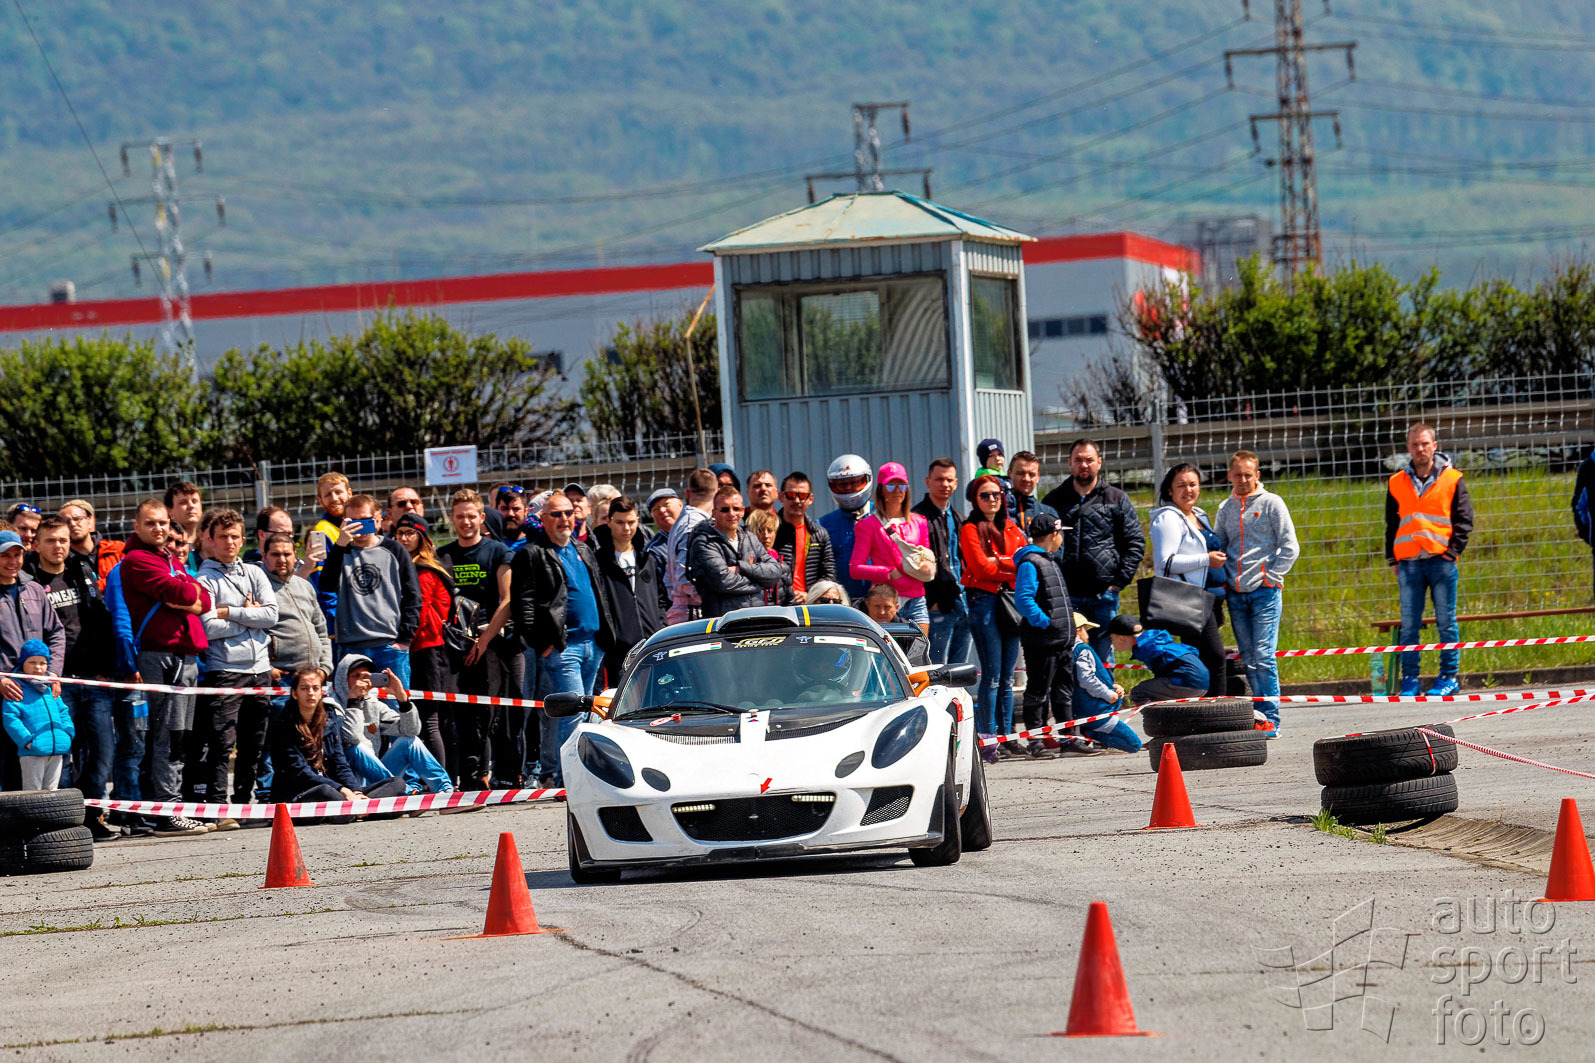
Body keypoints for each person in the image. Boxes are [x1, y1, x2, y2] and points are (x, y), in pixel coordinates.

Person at [511, 490, 615, 788]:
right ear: (543, 518)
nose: (564, 519)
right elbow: (523, 606)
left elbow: (599, 593)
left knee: (574, 712)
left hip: (592, 644)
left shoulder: (583, 549)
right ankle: (565, 776)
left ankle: (554, 771)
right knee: (573, 711)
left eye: (569, 513)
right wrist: (542, 645)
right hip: (562, 648)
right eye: (556, 514)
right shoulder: (531, 554)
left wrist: (604, 637)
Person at [120, 500, 211, 836]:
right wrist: (189, 594)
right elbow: (178, 591)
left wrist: (190, 595)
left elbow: (204, 599)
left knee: (180, 736)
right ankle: (166, 811)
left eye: (162, 522)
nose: (158, 529)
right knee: (167, 735)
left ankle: (171, 806)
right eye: (151, 523)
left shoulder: (169, 559)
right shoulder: (137, 560)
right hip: (161, 657)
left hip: (186, 657)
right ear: (137, 526)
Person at [27, 516, 117, 836]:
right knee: (62, 752)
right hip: (55, 682)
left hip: (92, 678)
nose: (58, 546)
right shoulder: (30, 581)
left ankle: (93, 815)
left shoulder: (81, 570)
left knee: (102, 751)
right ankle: (67, 819)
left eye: (63, 540)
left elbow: (102, 620)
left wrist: (107, 668)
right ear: (37, 544)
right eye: (50, 540)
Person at [194, 509, 278, 822]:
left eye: (234, 536)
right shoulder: (204, 579)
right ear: (211, 540)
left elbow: (271, 615)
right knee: (222, 742)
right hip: (226, 670)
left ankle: (244, 803)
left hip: (260, 669)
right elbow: (207, 627)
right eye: (223, 537)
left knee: (254, 743)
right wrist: (248, 616)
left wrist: (229, 612)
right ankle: (219, 809)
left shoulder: (255, 572)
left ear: (243, 539)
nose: (229, 542)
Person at [1385, 423, 1474, 697]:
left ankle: (1448, 677)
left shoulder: (1453, 478)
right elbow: (1391, 523)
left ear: (1434, 446)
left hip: (1441, 560)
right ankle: (1410, 680)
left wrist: (1451, 553)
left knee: (1446, 622)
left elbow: (1464, 520)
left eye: (1424, 443)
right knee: (1409, 625)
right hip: (1408, 562)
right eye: (1414, 444)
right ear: (1408, 448)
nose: (1420, 448)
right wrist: (1392, 559)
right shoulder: (1396, 482)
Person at [1216, 450, 1300, 738]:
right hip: (1235, 594)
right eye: (1237, 475)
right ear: (1229, 476)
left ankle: (1272, 719)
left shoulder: (1272, 503)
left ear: (1257, 475)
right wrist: (1225, 581)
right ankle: (1259, 716)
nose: (1243, 479)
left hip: (1265, 592)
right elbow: (1220, 545)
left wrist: (1272, 577)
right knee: (1250, 658)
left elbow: (1290, 546)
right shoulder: (1225, 508)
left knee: (1264, 656)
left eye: (1248, 474)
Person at [438, 488, 517, 788]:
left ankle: (499, 774)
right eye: (460, 516)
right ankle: (469, 777)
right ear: (452, 518)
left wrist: (483, 642)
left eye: (471, 516)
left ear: (482, 517)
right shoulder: (443, 555)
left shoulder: (497, 551)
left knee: (490, 713)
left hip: (490, 643)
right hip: (454, 645)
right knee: (460, 713)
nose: (466, 522)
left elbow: (507, 600)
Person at [1042, 438, 1145, 662]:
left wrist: (1118, 582)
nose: (1084, 465)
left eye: (1089, 460)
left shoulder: (1116, 498)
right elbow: (1043, 544)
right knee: (1067, 658)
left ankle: (1105, 688)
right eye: (1078, 460)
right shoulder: (1054, 500)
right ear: (1069, 463)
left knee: (1103, 659)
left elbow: (1135, 542)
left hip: (1104, 595)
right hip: (1066, 595)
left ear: (1099, 462)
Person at [266, 666, 406, 817]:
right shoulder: (283, 725)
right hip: (302, 793)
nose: (311, 693)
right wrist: (343, 790)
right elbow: (301, 772)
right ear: (294, 693)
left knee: (397, 783)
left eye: (315, 688)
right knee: (327, 792)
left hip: (334, 789)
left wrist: (356, 792)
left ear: (321, 692)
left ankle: (358, 809)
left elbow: (340, 763)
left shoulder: (328, 720)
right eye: (304, 688)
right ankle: (369, 810)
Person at [319, 494, 421, 685]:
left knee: (393, 702)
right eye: (353, 522)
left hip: (389, 645)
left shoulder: (394, 550)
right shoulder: (341, 551)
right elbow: (326, 586)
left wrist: (405, 639)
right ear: (344, 522)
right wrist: (340, 543)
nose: (359, 527)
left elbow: (413, 595)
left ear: (376, 519)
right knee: (352, 701)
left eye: (365, 520)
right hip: (350, 645)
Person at [959, 473, 1026, 757]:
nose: (991, 500)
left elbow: (1025, 559)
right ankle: (988, 739)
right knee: (993, 675)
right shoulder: (970, 528)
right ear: (975, 499)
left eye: (996, 494)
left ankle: (1007, 736)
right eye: (984, 495)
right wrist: (1008, 565)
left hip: (1009, 601)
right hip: (983, 601)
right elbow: (980, 568)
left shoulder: (1011, 526)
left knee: (1007, 676)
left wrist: (998, 560)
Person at [1149, 463, 1228, 696]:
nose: (1188, 490)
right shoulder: (1168, 518)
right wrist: (1206, 559)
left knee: (1202, 658)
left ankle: (1201, 706)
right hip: (1190, 600)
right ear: (1170, 491)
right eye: (1181, 486)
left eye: (1193, 484)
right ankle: (1218, 708)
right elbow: (1166, 562)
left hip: (1210, 598)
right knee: (1216, 658)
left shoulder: (1199, 515)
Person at [329, 654, 453, 796]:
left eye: (366, 676)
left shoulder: (373, 703)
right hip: (352, 782)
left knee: (409, 741)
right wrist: (353, 701)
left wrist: (402, 698)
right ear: (342, 679)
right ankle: (406, 791)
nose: (361, 681)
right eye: (355, 676)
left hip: (377, 776)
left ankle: (445, 791)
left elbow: (411, 731)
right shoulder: (330, 705)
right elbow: (351, 739)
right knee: (355, 747)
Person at [390, 514, 456, 773]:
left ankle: (442, 782)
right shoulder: (403, 567)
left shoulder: (425, 571)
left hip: (428, 651)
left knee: (428, 721)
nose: (404, 538)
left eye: (410, 533)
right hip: (418, 651)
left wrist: (400, 642)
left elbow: (418, 614)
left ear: (422, 538)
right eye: (400, 533)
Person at [1014, 512, 1075, 758]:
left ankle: (1069, 740)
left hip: (1061, 641)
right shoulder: (1030, 562)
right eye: (1060, 534)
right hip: (1043, 641)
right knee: (1038, 692)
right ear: (1053, 534)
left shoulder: (1050, 561)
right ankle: (1036, 743)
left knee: (1064, 692)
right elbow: (1023, 599)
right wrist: (1045, 622)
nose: (1061, 539)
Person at [849, 461, 932, 634]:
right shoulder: (868, 525)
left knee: (920, 649)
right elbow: (855, 569)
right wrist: (887, 572)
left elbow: (927, 557)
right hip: (884, 604)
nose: (897, 490)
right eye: (890, 485)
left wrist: (927, 567)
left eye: (902, 485)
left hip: (916, 600)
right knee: (886, 651)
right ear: (881, 490)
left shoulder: (920, 522)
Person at [595, 496, 664, 684]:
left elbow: (660, 598)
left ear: (638, 521)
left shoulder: (647, 558)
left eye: (631, 522)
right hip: (619, 652)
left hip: (651, 645)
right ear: (609, 522)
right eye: (620, 522)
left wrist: (660, 627)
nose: (626, 528)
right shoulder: (599, 561)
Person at [687, 487, 781, 617]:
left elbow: (775, 572)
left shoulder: (750, 537)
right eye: (725, 510)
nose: (732, 514)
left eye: (736, 509)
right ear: (714, 513)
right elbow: (723, 582)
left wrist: (742, 568)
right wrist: (760, 583)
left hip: (757, 618)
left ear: (742, 511)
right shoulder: (703, 542)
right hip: (724, 622)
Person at [914, 458, 971, 667]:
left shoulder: (959, 518)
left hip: (963, 603)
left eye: (949, 480)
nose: (944, 484)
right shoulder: (917, 518)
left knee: (959, 670)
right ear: (928, 482)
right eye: (939, 479)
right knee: (937, 670)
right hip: (937, 606)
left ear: (956, 483)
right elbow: (914, 562)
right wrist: (932, 601)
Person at [2, 639, 73, 790]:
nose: (38, 667)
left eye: (42, 663)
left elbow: (63, 711)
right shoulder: (16, 687)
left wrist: (67, 733)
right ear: (23, 663)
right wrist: (27, 741)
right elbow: (10, 717)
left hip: (57, 750)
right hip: (32, 752)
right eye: (32, 662)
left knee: (52, 792)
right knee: (32, 793)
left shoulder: (50, 687)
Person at [1069, 614, 1144, 754]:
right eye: (1085, 629)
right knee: (1134, 744)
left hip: (1080, 709)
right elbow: (1087, 679)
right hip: (1097, 711)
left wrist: (1111, 686)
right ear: (1078, 632)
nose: (1087, 634)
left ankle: (1090, 732)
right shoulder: (1083, 650)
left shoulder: (1065, 652)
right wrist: (1109, 694)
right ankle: (1093, 735)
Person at [1108, 614, 1210, 706]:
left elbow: (1161, 668)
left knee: (1138, 692)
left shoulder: (1146, 647)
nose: (1111, 643)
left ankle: (1157, 717)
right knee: (1155, 691)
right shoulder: (1154, 641)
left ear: (1121, 639)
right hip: (1204, 681)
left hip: (1188, 682)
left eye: (1112, 639)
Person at [773, 472, 835, 605]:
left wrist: (811, 595)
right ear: (781, 497)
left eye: (802, 496)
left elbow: (828, 574)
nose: (796, 501)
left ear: (810, 499)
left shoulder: (819, 534)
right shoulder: (770, 531)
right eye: (790, 495)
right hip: (779, 605)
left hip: (811, 604)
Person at [819, 453, 874, 603]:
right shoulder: (824, 524)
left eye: (855, 482)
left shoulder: (884, 517)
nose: (849, 488)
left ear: (867, 479)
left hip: (880, 602)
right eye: (842, 484)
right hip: (843, 603)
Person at [665, 469, 716, 624]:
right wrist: (712, 597)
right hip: (693, 612)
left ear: (688, 493)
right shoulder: (694, 524)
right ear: (716, 493)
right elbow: (684, 576)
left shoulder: (684, 521)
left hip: (686, 609)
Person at [309, 471, 352, 630]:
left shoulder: (359, 524)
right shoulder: (319, 533)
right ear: (320, 501)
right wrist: (335, 618)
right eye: (328, 495)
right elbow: (321, 582)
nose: (334, 498)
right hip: (340, 619)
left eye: (338, 492)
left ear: (349, 493)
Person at [60, 499, 124, 592]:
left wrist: (97, 586)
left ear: (88, 521)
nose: (73, 524)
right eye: (66, 522)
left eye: (77, 519)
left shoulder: (117, 549)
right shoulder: (62, 561)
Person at [1007, 451, 1058, 539]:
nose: (1026, 479)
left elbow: (1056, 546)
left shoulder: (1048, 513)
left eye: (1031, 474)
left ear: (1038, 477)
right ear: (1009, 474)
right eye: (1020, 473)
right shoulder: (1000, 511)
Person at [745, 508, 787, 605]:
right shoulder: (744, 562)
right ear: (751, 533)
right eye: (760, 530)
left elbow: (790, 601)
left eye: (770, 530)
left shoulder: (782, 565)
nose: (766, 535)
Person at [164, 482, 205, 571]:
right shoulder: (164, 548)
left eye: (194, 501)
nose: (191, 506)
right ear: (169, 511)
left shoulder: (212, 544)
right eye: (183, 502)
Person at [644, 488, 681, 576]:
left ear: (680, 504)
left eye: (666, 504)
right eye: (656, 509)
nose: (662, 510)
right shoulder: (653, 551)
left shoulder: (697, 532)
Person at [493, 485, 530, 552]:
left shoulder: (538, 543)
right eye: (504, 508)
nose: (510, 514)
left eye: (516, 509)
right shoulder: (489, 544)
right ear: (496, 510)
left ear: (526, 511)